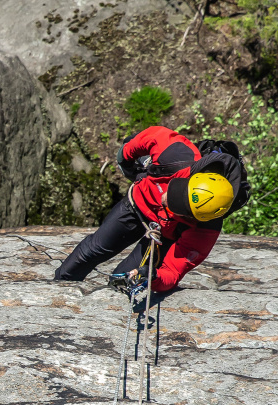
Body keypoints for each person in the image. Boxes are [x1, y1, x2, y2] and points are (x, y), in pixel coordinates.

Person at [54, 125, 251, 293]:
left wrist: (152, 278)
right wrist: (126, 157)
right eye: (172, 192)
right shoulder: (175, 154)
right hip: (137, 205)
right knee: (92, 250)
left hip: (164, 235)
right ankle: (57, 288)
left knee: (123, 280)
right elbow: (148, 138)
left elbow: (172, 272)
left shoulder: (206, 228)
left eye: (176, 207)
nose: (165, 201)